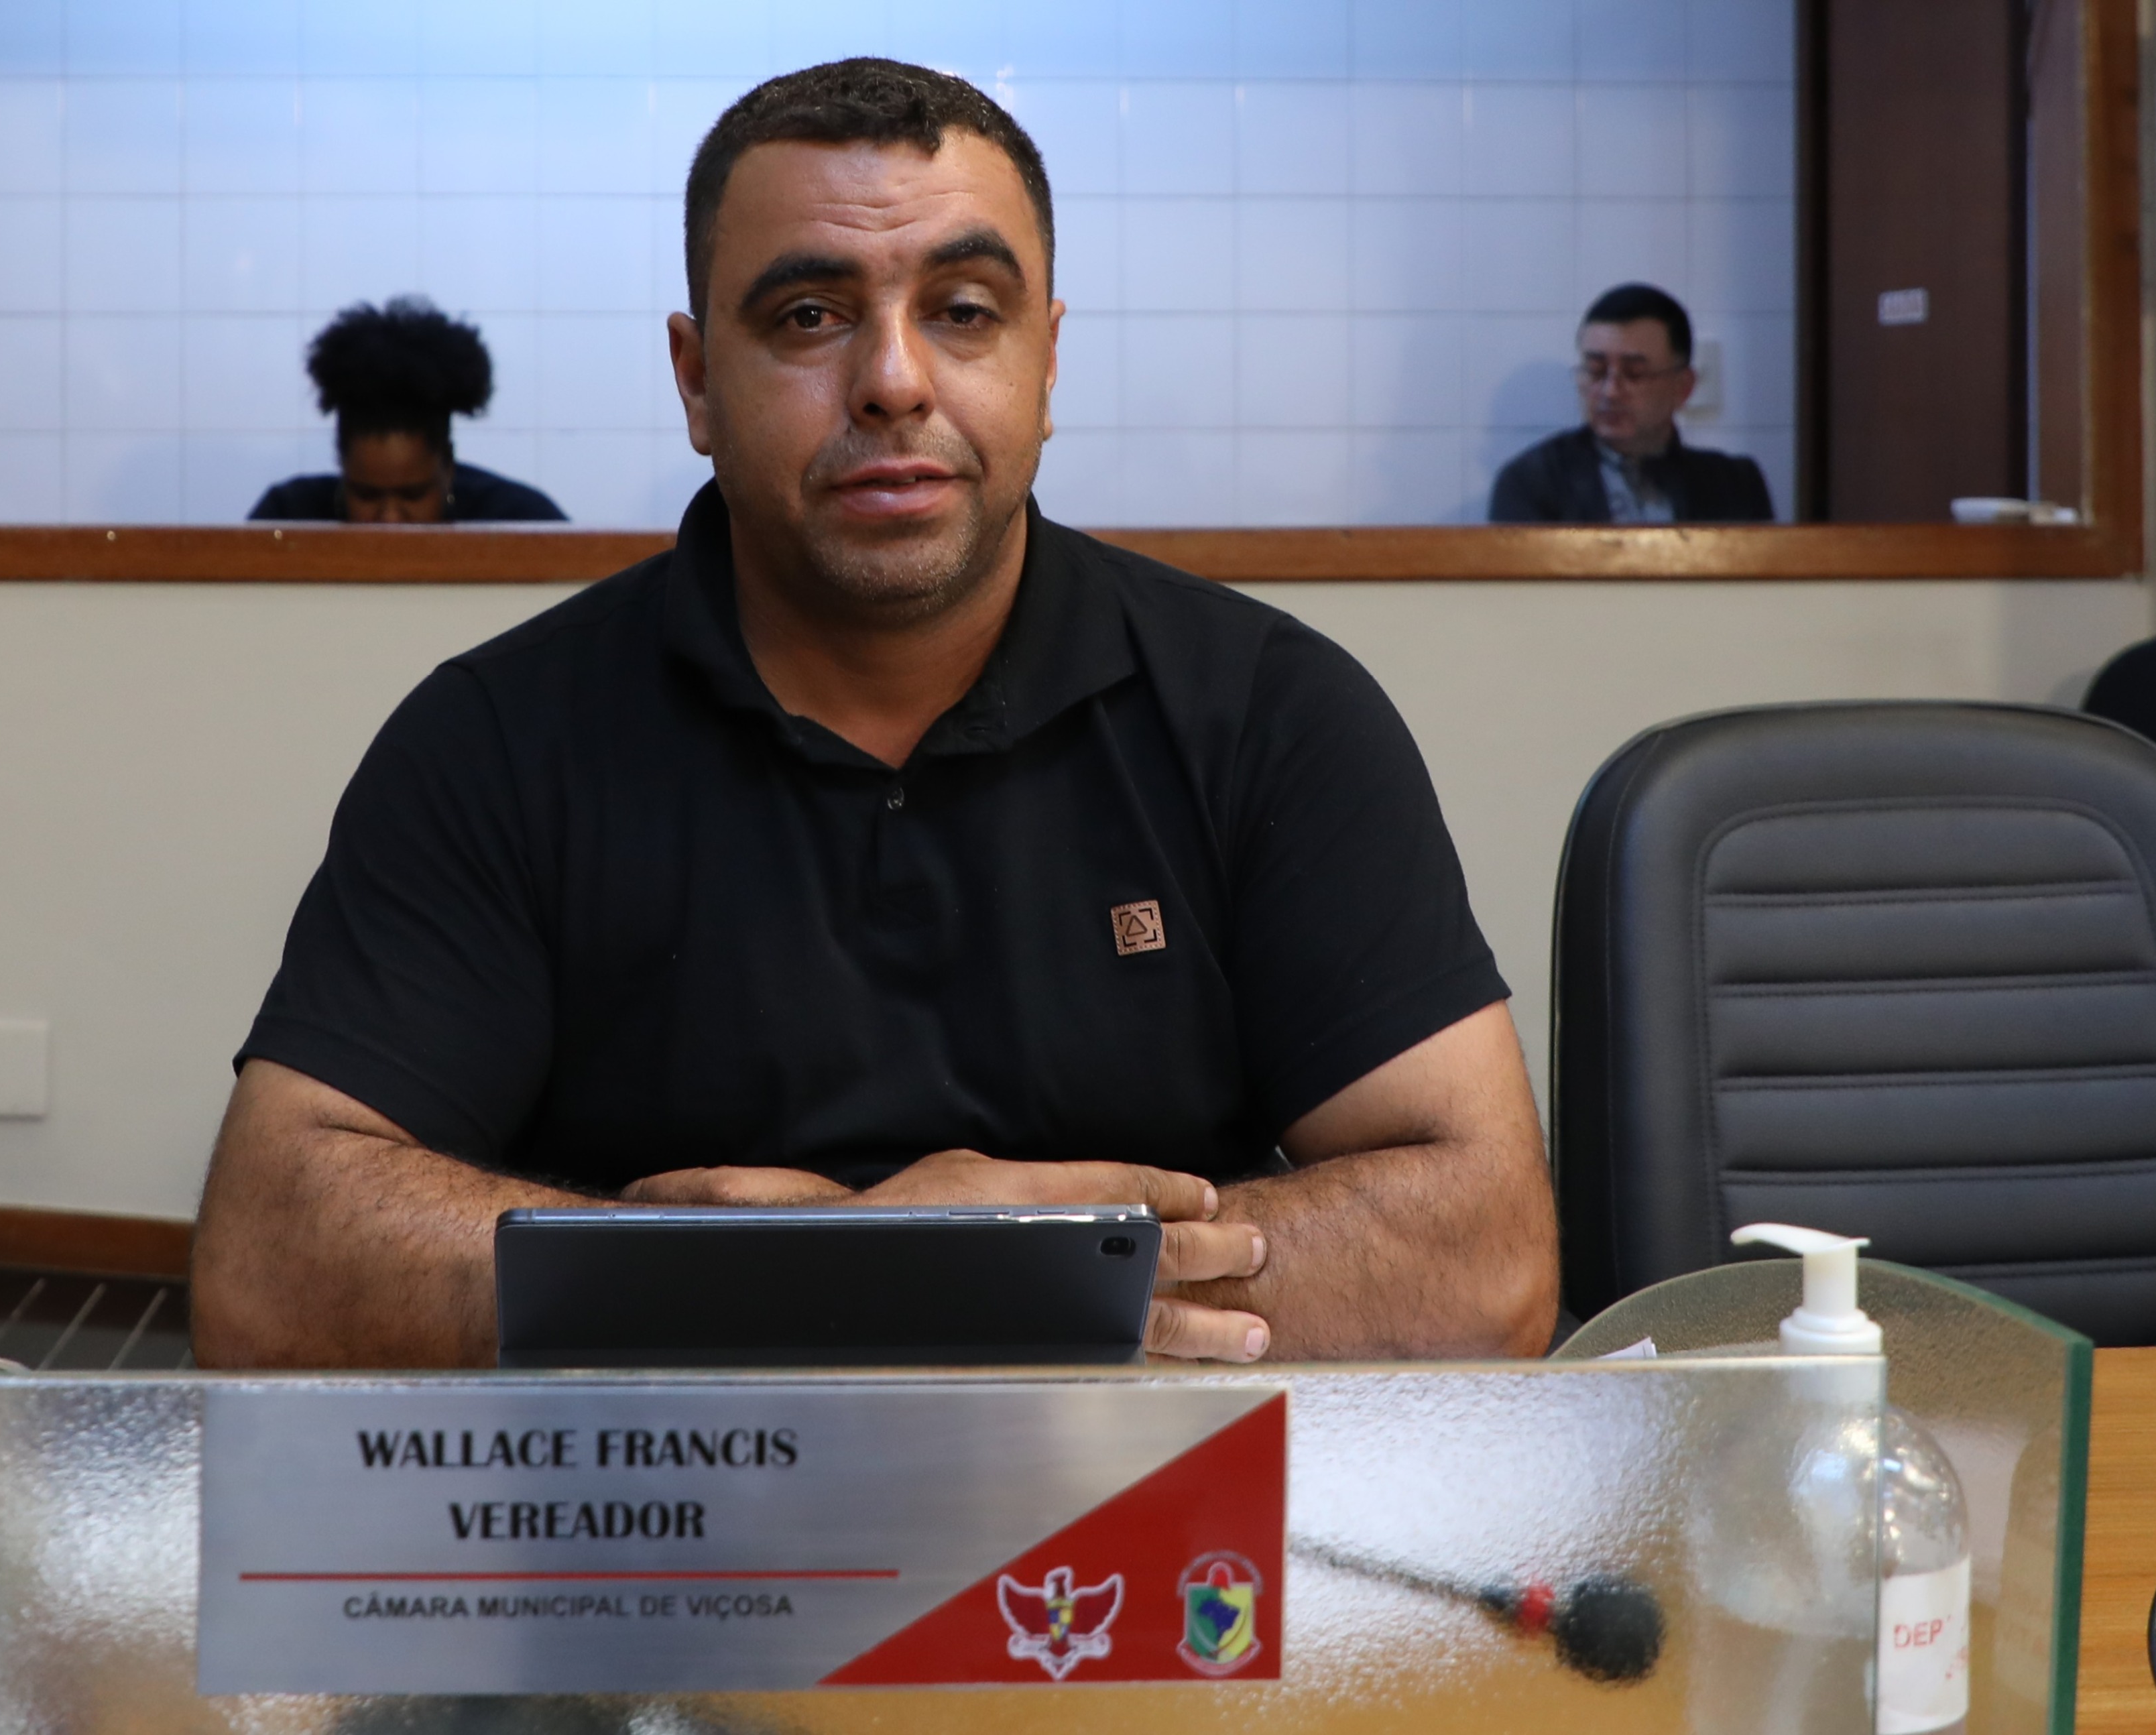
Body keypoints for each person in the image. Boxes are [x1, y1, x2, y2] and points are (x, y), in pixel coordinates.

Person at [194, 58, 1556, 1371]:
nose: (893, 380)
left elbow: (1486, 1257)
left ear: (1047, 359)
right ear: (694, 381)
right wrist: (851, 1281)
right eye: (808, 317)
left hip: (1156, 1498)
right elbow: (269, 1267)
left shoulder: (1266, 710)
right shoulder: (498, 736)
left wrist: (994, 1277)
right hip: (659, 1494)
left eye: (962, 309)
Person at [249, 298, 564, 525]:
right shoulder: (287, 517)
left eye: (413, 495)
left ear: (448, 468)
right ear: (342, 467)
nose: (390, 520)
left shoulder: (521, 521)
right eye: (366, 495)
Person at [1488, 283, 1772, 525]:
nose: (1611, 392)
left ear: (1683, 387)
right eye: (1596, 371)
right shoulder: (1532, 483)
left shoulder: (1735, 484)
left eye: (1635, 374)